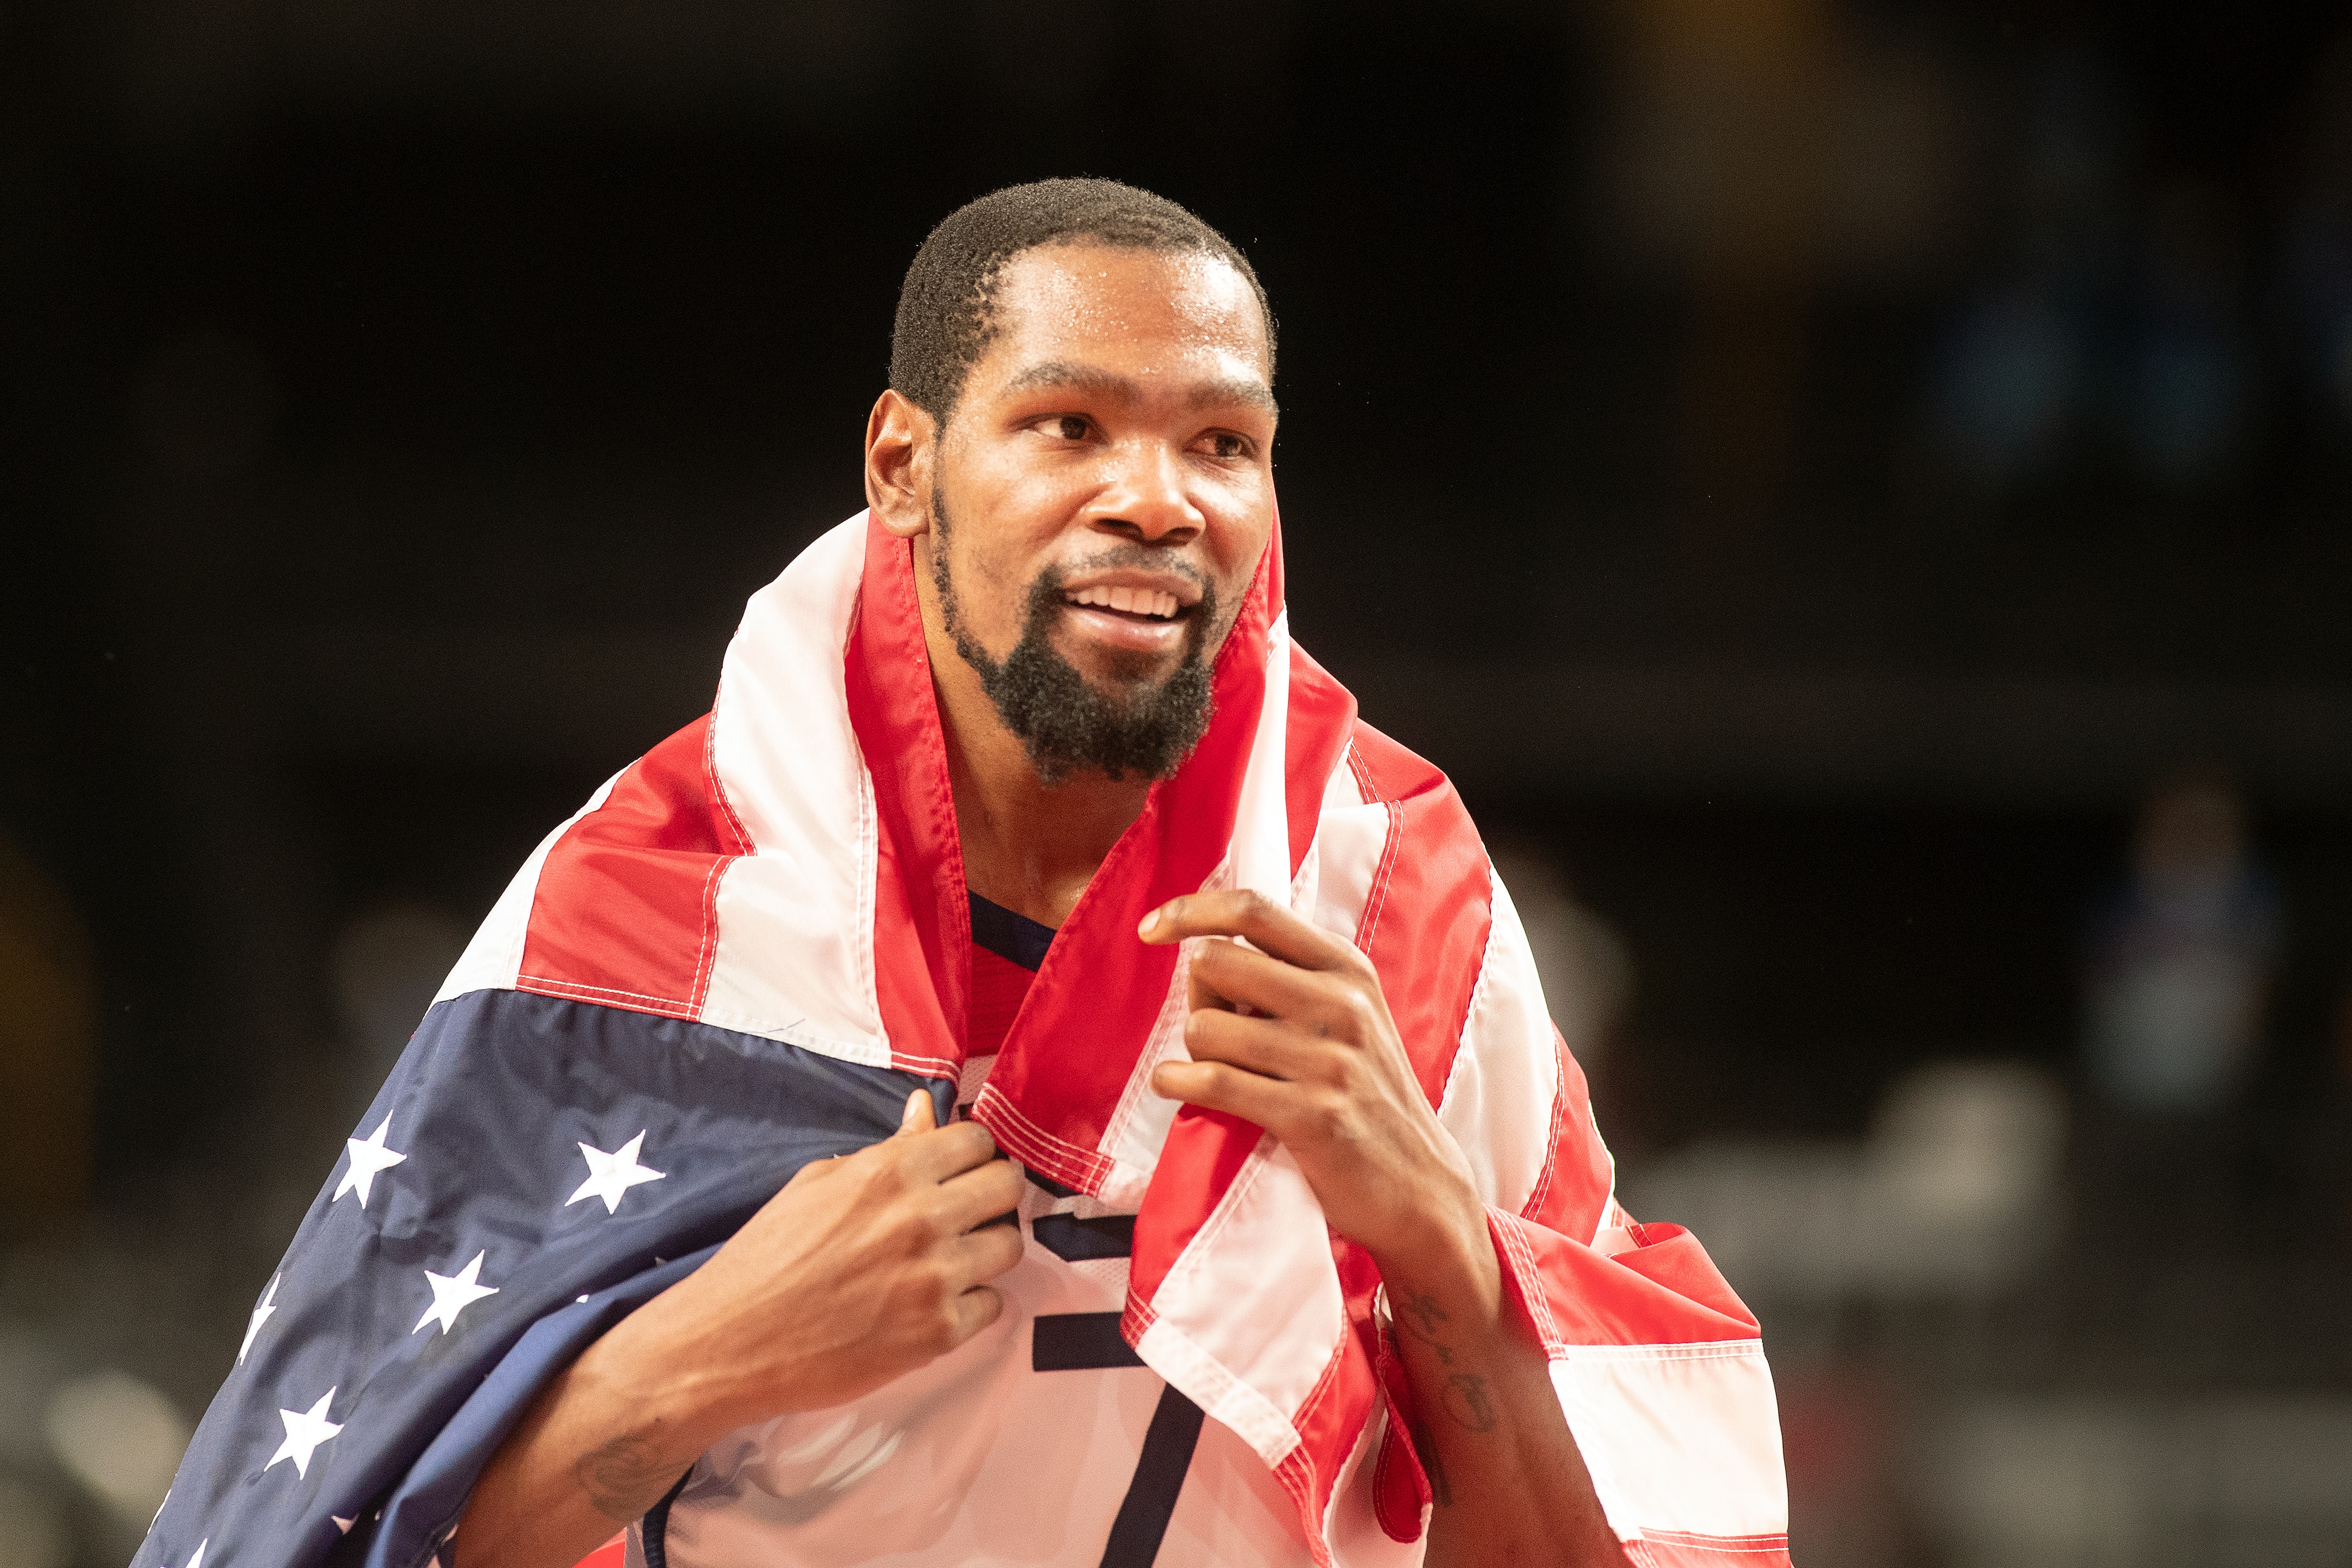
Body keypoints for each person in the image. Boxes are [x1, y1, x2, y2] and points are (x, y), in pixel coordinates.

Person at [139, 180, 1788, 1568]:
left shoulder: (1387, 894)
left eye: (1222, 442)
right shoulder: (651, 916)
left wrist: (1439, 1245)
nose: (1155, 498)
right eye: (1069, 423)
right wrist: (705, 1356)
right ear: (904, 466)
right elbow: (318, 1529)